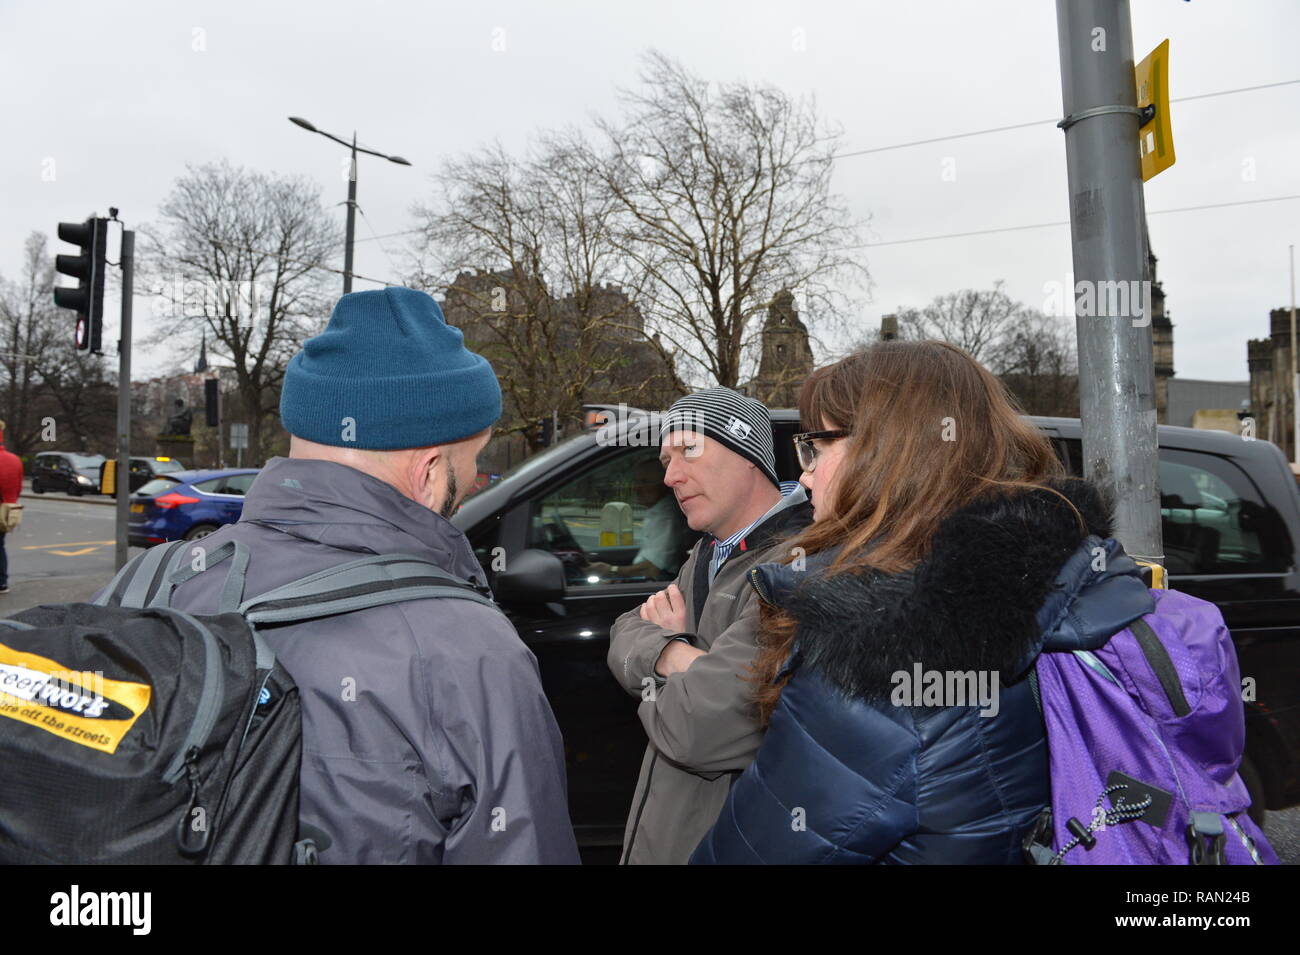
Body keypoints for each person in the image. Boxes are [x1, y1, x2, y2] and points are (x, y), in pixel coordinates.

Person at [153, 287, 579, 864]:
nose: (477, 477)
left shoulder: (154, 581)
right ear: (429, 472)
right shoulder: (471, 653)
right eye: (473, 458)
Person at [693, 341, 1153, 864]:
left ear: (887, 453)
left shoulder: (877, 661)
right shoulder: (1062, 576)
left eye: (815, 447)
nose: (804, 473)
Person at [606, 387, 813, 864]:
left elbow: (699, 729)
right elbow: (622, 632)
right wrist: (676, 654)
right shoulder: (709, 553)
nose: (670, 476)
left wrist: (660, 650)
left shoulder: (798, 564)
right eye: (665, 459)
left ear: (748, 456)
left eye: (689, 451)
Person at [588, 456, 689, 580]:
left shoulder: (666, 517)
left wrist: (612, 570)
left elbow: (651, 569)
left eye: (645, 482)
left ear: (664, 484)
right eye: (636, 481)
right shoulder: (657, 511)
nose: (637, 487)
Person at [0, 421, 22, 595]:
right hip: (8, 510)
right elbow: (18, 488)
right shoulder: (14, 460)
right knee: (0, 546)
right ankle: (2, 582)